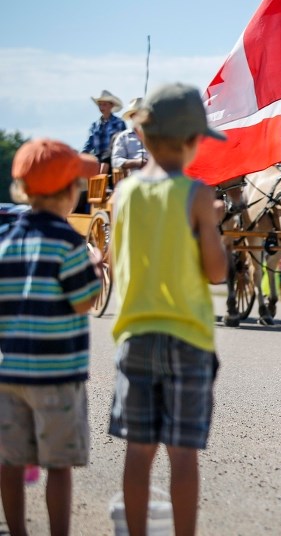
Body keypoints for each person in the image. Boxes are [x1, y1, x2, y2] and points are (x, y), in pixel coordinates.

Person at [108, 83, 228, 536]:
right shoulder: (196, 195)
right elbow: (215, 272)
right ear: (194, 141)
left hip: (135, 335)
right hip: (188, 338)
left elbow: (120, 269)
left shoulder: (123, 196)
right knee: (183, 453)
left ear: (145, 135)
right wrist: (210, 225)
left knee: (138, 452)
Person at [0, 139, 101, 536]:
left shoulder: (5, 242)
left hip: (10, 377)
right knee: (58, 464)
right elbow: (83, 301)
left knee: (9, 461)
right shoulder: (69, 242)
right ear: (69, 192)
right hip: (58, 376)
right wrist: (96, 269)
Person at [82, 89, 126, 174]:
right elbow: (89, 144)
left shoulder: (119, 123)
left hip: (114, 163)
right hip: (98, 163)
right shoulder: (94, 125)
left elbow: (123, 144)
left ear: (111, 105)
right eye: (100, 105)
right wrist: (82, 156)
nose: (101, 107)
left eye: (104, 105)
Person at [111, 96, 148, 177]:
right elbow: (116, 161)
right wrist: (136, 162)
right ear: (131, 117)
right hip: (133, 177)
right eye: (136, 114)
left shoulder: (157, 135)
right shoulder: (123, 137)